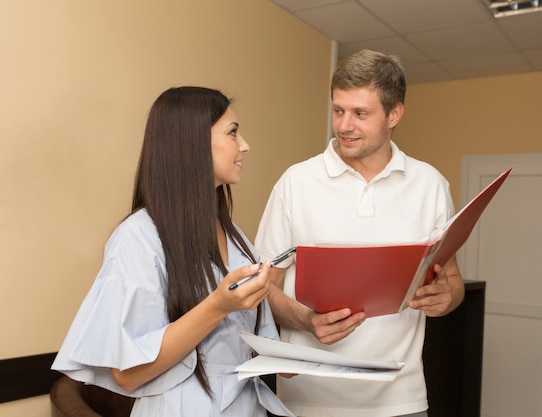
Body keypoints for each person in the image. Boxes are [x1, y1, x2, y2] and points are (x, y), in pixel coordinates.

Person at [52, 86, 295, 417]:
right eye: (233, 133)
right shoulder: (138, 238)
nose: (245, 145)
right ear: (192, 143)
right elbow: (127, 373)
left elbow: (253, 345)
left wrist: (297, 356)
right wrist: (218, 305)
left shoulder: (236, 236)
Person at [254, 50, 465, 417]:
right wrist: (306, 320)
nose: (344, 125)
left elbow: (453, 282)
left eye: (360, 114)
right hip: (307, 400)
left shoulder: (430, 184)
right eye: (338, 110)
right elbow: (261, 287)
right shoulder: (295, 183)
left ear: (394, 114)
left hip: (400, 400)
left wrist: (447, 298)